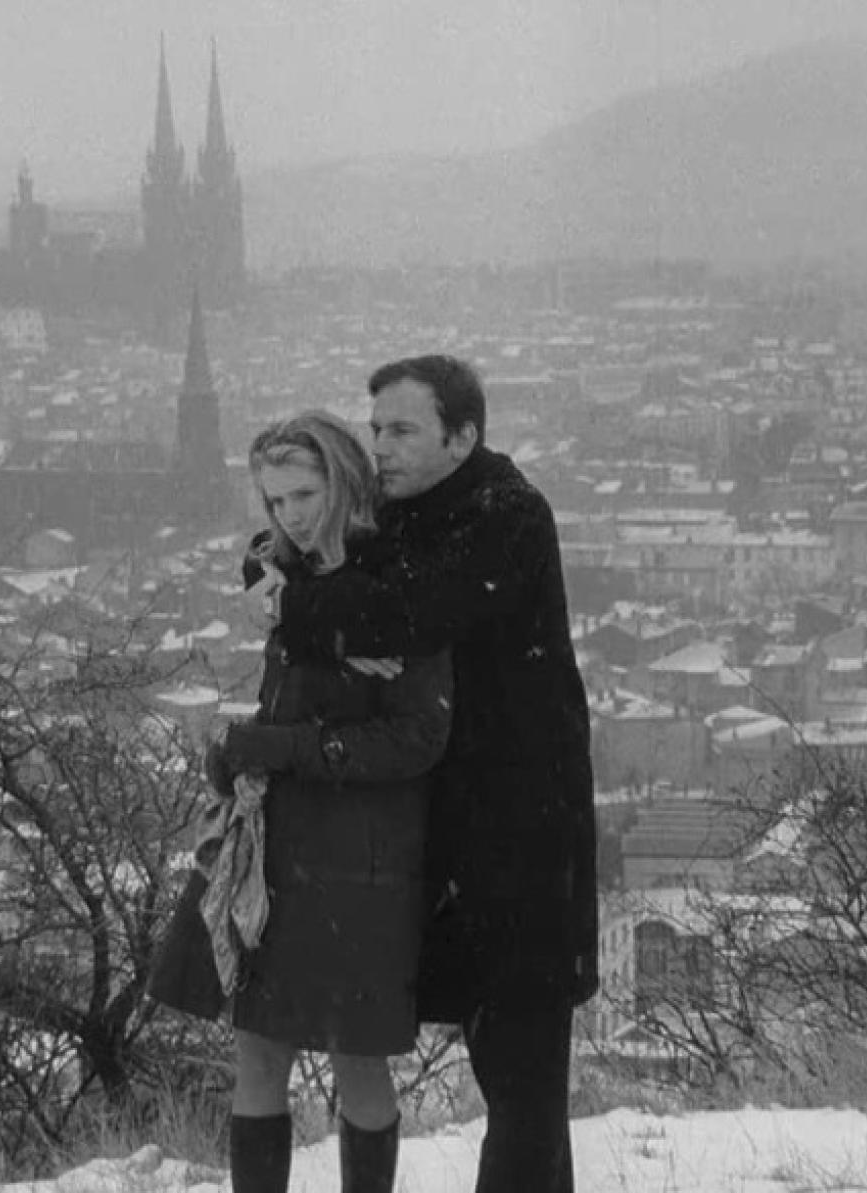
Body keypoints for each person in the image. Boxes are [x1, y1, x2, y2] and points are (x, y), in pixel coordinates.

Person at [275, 356, 598, 1193]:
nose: (380, 445)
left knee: (523, 1086)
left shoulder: (507, 517)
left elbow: (407, 610)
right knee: (513, 1085)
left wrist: (303, 611)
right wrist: (284, 570)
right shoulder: (407, 514)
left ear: (464, 436)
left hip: (525, 843)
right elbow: (301, 541)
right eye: (376, 427)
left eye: (403, 429)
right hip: (446, 835)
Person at [190, 411, 453, 1193]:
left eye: (305, 492)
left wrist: (281, 746)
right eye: (274, 501)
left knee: (357, 1057)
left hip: (364, 854)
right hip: (280, 843)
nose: (291, 514)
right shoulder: (288, 579)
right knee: (259, 1050)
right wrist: (237, 754)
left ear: (343, 479)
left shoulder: (399, 586)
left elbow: (417, 740)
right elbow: (290, 700)